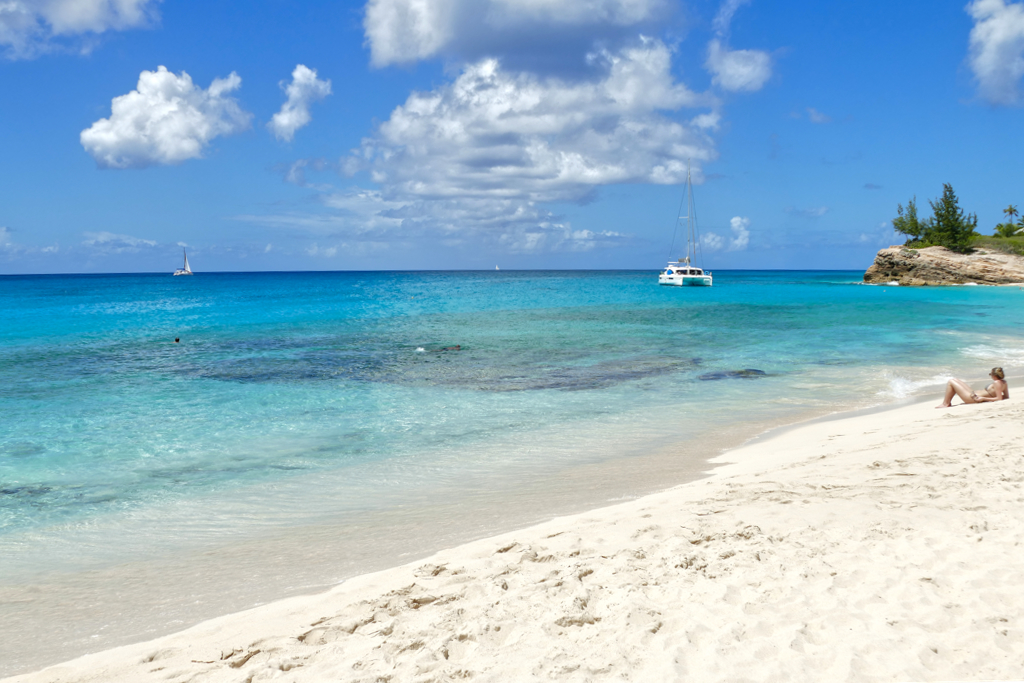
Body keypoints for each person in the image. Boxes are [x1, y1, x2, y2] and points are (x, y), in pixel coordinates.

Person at [937, 367, 1008, 408]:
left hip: (972, 398)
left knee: (951, 381)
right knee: (955, 380)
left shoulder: (997, 383)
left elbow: (999, 398)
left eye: (990, 374)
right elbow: (1006, 396)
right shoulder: (1004, 382)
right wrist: (990, 397)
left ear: (994, 375)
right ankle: (947, 402)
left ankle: (946, 403)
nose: (990, 376)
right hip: (974, 394)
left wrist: (984, 398)